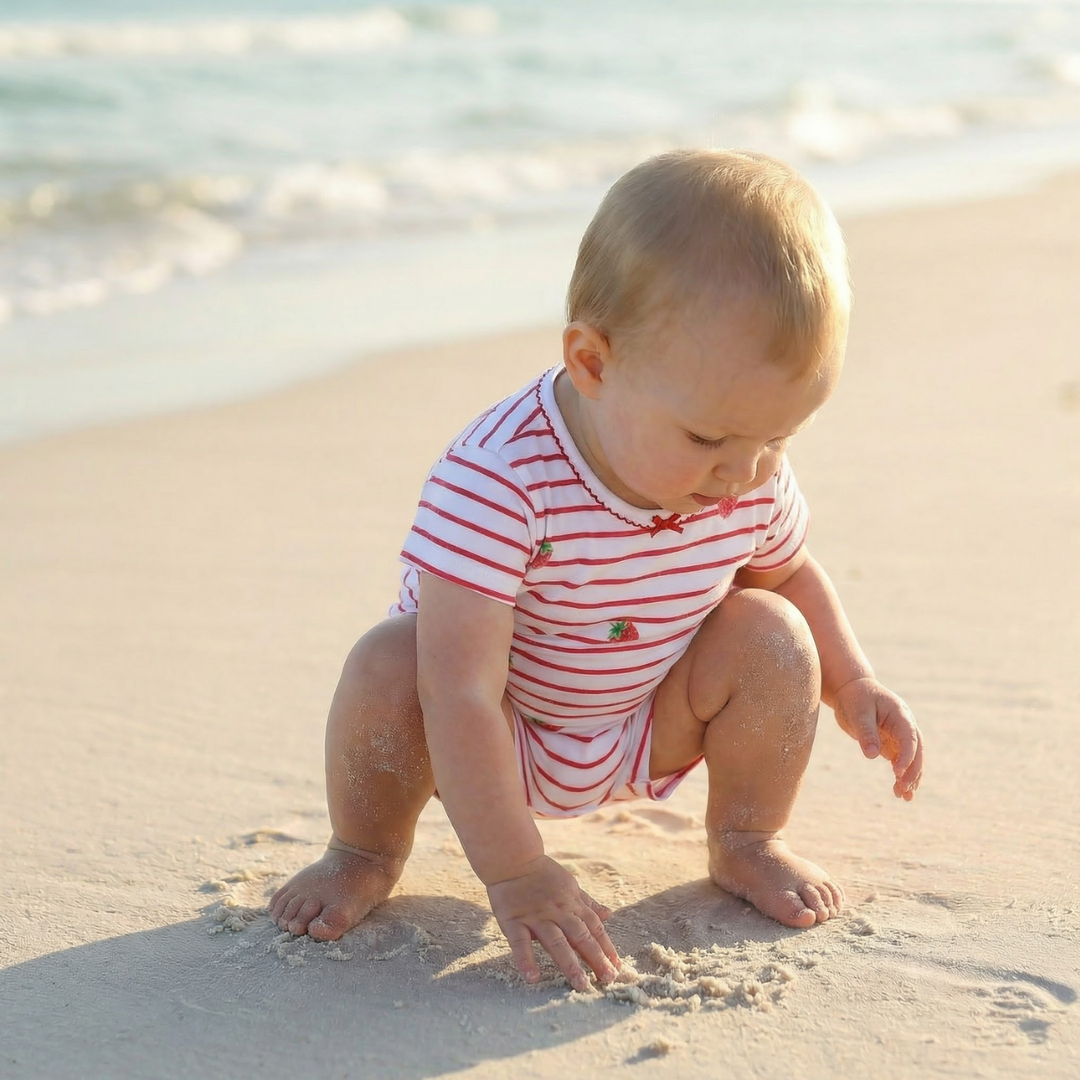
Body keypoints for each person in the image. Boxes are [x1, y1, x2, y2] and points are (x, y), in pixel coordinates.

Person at [269, 148, 924, 993]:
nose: (744, 474)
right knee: (391, 661)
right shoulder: (500, 478)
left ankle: (746, 838)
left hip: (650, 717)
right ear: (593, 363)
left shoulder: (745, 465)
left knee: (774, 631)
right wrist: (516, 872)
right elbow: (459, 693)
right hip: (491, 731)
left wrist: (854, 682)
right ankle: (362, 850)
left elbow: (788, 573)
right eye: (707, 440)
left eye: (779, 438)